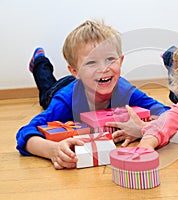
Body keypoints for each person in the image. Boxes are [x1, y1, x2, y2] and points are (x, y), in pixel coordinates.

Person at [16, 20, 169, 169]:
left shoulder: (125, 90)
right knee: (46, 90)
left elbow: (166, 112)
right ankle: (39, 61)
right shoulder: (66, 99)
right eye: (91, 62)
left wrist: (143, 129)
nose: (103, 69)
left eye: (110, 59)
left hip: (88, 80)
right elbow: (25, 133)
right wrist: (52, 150)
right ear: (75, 71)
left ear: (121, 61)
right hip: (58, 90)